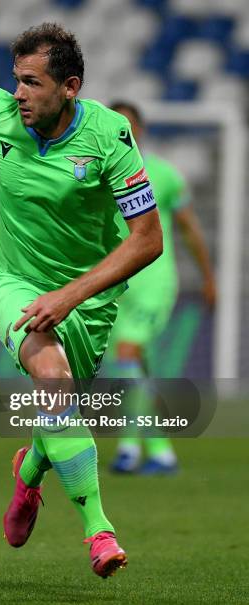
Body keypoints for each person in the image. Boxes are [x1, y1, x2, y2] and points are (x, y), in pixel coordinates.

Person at [0, 23, 163, 578]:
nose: (17, 93)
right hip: (11, 282)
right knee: (54, 381)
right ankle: (99, 531)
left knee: (61, 409)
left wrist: (70, 295)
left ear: (69, 87)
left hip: (86, 297)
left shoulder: (110, 136)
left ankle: (28, 474)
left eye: (31, 83)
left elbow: (148, 239)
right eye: (15, 80)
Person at [108, 101, 216, 475]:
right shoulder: (96, 174)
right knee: (136, 368)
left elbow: (188, 228)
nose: (125, 131)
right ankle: (160, 453)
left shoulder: (164, 175)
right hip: (114, 283)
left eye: (129, 125)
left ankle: (130, 449)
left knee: (128, 352)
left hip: (153, 280)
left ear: (140, 130)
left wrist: (208, 277)